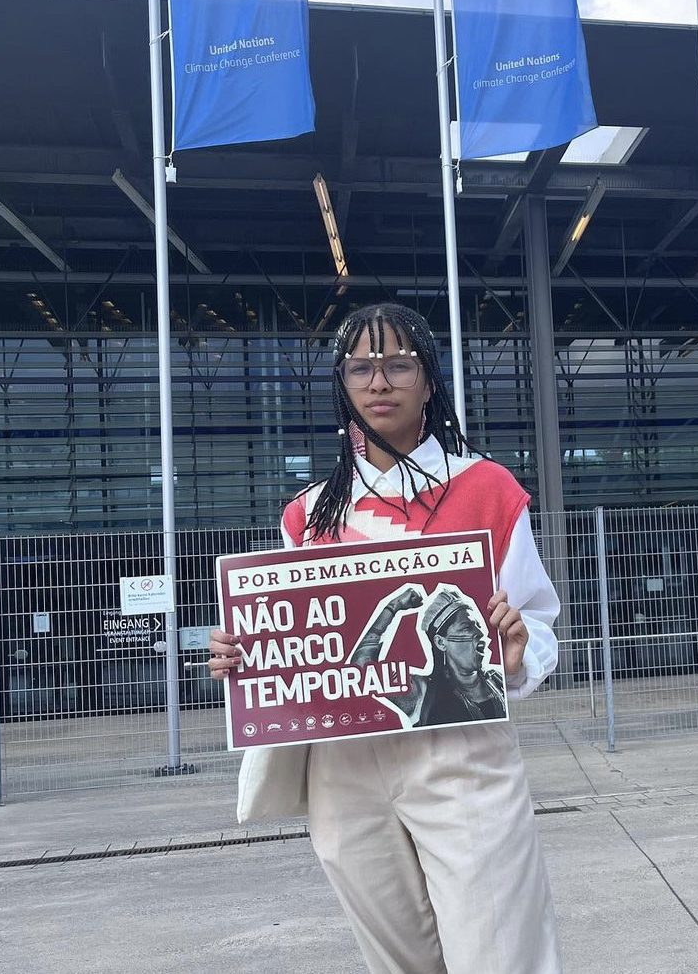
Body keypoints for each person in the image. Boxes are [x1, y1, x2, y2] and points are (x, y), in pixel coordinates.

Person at [209, 302, 563, 974]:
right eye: (361, 367)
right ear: (341, 384)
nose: (379, 382)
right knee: (396, 961)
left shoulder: (487, 489)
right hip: (344, 764)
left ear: (428, 380)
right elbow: (297, 638)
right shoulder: (307, 514)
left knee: (499, 951)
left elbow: (537, 620)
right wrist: (246, 656)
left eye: (398, 363)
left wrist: (519, 657)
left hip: (459, 750)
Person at [350, 583, 508, 728]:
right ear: (441, 642)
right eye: (467, 627)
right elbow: (362, 670)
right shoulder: (423, 693)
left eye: (478, 625)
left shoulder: (498, 680)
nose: (480, 633)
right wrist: (392, 607)